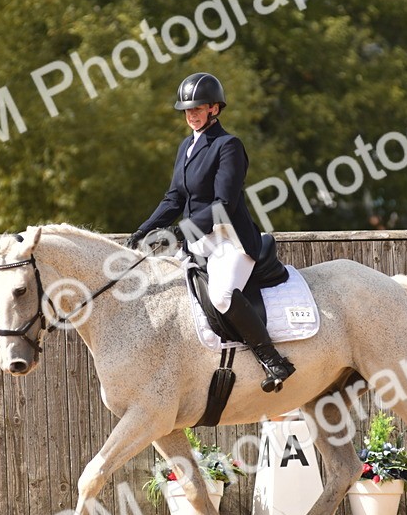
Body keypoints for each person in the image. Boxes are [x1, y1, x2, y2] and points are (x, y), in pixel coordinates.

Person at [126, 72, 296, 392]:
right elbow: (174, 198)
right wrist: (144, 229)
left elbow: (224, 204)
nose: (191, 115)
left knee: (220, 296)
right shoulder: (186, 147)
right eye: (187, 110)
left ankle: (273, 360)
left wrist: (179, 231)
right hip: (197, 240)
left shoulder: (228, 145)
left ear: (215, 109)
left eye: (198, 109)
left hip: (229, 240)